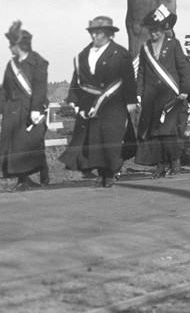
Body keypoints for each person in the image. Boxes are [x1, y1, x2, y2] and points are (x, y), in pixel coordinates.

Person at [59, 16, 139, 187]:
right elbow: (77, 80)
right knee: (95, 141)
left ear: (110, 34)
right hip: (91, 105)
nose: (95, 36)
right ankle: (101, 174)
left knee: (111, 140)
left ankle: (110, 173)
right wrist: (73, 99)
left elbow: (128, 78)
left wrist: (131, 99)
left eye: (99, 33)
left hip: (114, 103)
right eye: (93, 33)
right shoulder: (83, 55)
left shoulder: (120, 53)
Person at [134, 5, 190, 177]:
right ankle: (160, 165)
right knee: (154, 133)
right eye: (151, 31)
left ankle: (174, 161)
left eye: (156, 30)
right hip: (151, 97)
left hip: (171, 95)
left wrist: (184, 90)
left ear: (163, 29)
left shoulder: (173, 44)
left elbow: (183, 68)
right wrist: (139, 93)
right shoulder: (145, 47)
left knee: (167, 131)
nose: (153, 33)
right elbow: (141, 72)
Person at [0, 20, 51, 189]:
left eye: (11, 44)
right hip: (12, 111)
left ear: (19, 45)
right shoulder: (12, 64)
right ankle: (23, 178)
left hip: (31, 109)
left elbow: (39, 88)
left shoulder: (39, 63)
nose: (9, 48)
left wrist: (36, 109)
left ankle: (42, 170)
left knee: (30, 143)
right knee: (14, 146)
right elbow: (4, 89)